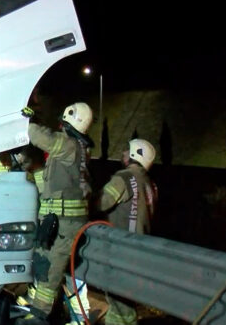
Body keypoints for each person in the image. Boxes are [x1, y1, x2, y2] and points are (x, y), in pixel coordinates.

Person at [18, 103, 94, 325]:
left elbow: (36, 135)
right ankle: (46, 310)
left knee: (51, 271)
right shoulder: (75, 147)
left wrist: (28, 120)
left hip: (65, 223)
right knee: (46, 264)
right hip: (58, 221)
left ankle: (39, 316)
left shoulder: (69, 144)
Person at [95, 139, 158, 325]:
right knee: (122, 301)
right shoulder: (149, 183)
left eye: (126, 150)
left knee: (120, 303)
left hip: (120, 249)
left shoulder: (124, 178)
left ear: (133, 155)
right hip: (139, 248)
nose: (123, 153)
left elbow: (101, 203)